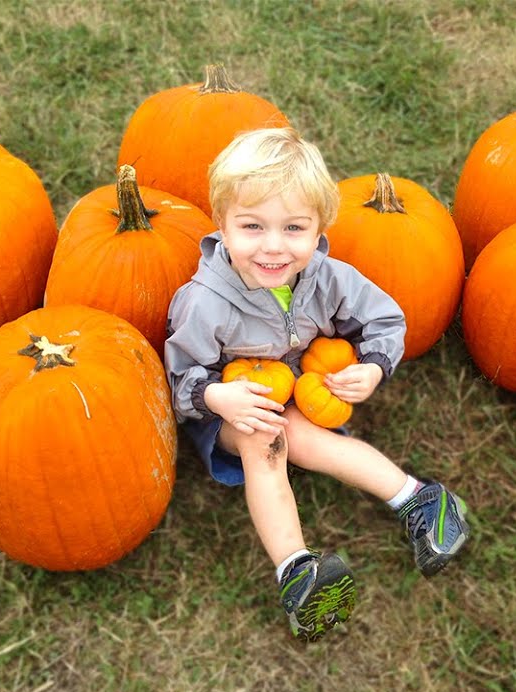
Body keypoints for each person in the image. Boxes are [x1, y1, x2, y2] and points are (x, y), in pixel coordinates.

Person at [164, 127, 470, 643]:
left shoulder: (330, 278)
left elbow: (385, 321)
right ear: (223, 223)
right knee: (269, 440)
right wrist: (217, 396)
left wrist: (372, 367)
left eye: (294, 228)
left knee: (304, 438)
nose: (273, 247)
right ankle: (297, 571)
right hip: (229, 408)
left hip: (297, 391)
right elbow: (177, 379)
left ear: (319, 227)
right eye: (253, 226)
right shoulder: (204, 301)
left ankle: (420, 499)